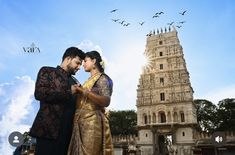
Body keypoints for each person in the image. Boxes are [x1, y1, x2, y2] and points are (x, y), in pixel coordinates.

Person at [29, 47, 85, 155]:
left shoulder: (76, 82)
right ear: (68, 59)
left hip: (68, 135)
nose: (79, 67)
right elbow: (39, 93)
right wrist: (69, 92)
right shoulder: (47, 71)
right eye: (77, 63)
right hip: (48, 131)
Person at [67, 51, 114, 155]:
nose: (83, 64)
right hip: (79, 122)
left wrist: (83, 91)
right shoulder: (88, 80)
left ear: (94, 61)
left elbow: (106, 101)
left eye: (85, 61)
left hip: (92, 123)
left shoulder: (102, 78)